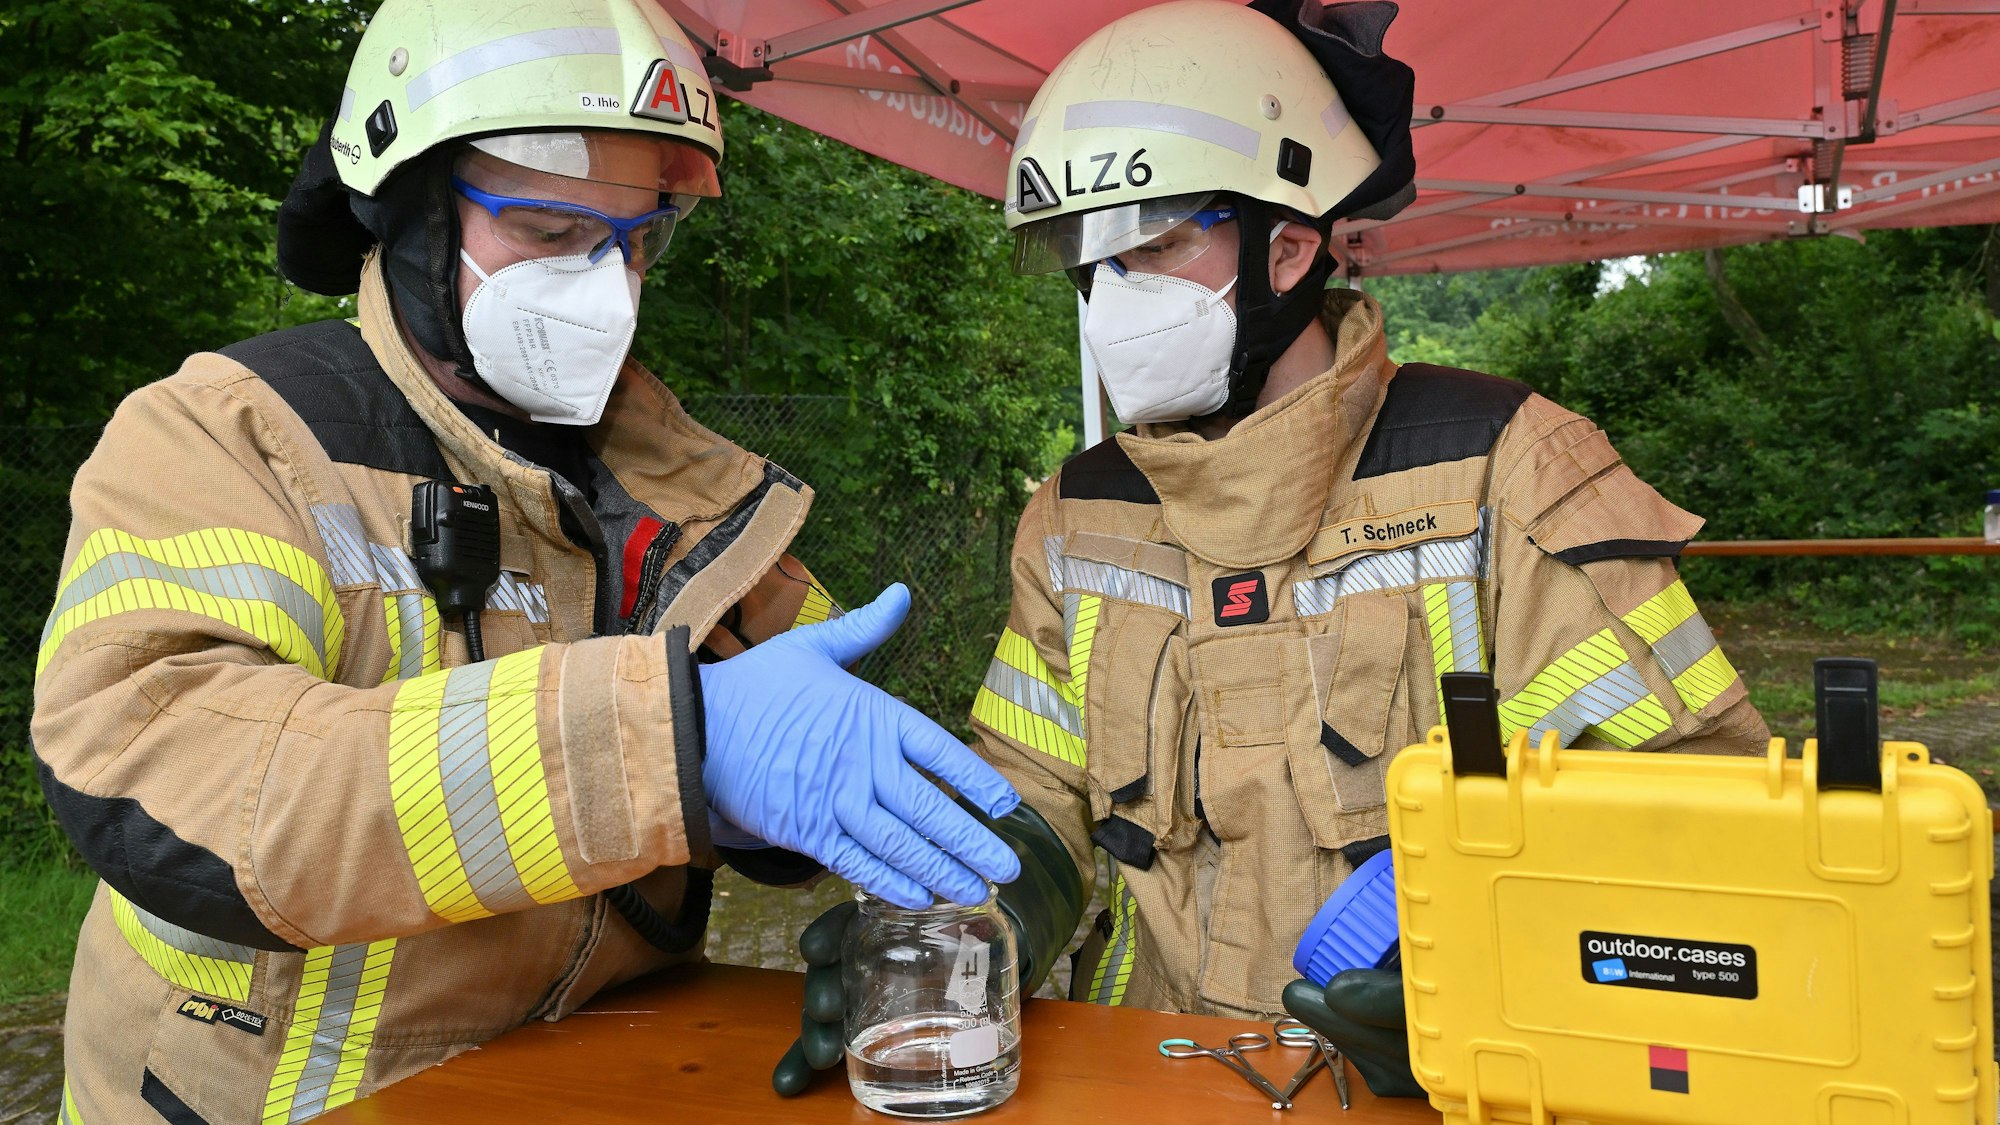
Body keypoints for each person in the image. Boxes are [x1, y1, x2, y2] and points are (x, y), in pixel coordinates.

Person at [32, 2, 1021, 1120]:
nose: (605, 285)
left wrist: (812, 843)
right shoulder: (229, 434)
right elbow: (164, 779)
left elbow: (818, 765)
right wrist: (671, 746)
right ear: (407, 217)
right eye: (549, 232)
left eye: (634, 239)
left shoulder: (686, 495)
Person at [777, 0, 1769, 1099]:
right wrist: (975, 922)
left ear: (1289, 247)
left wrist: (1499, 969)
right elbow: (1035, 790)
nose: (1110, 304)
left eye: (1152, 246)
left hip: (1460, 1086)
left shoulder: (1507, 467)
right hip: (1141, 1075)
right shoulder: (1076, 513)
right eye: (1086, 260)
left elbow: (1698, 808)